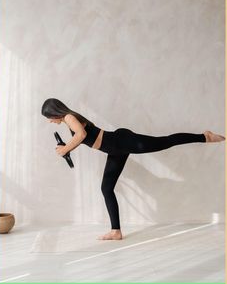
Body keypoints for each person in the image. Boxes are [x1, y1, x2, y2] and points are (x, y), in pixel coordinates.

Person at [41, 98, 225, 240]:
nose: (50, 122)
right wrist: (67, 148)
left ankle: (204, 136)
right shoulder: (69, 119)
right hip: (115, 149)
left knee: (165, 141)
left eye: (48, 118)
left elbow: (81, 135)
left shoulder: (69, 117)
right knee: (106, 188)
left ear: (54, 113)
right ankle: (115, 231)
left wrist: (65, 149)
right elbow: (85, 137)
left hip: (122, 142)